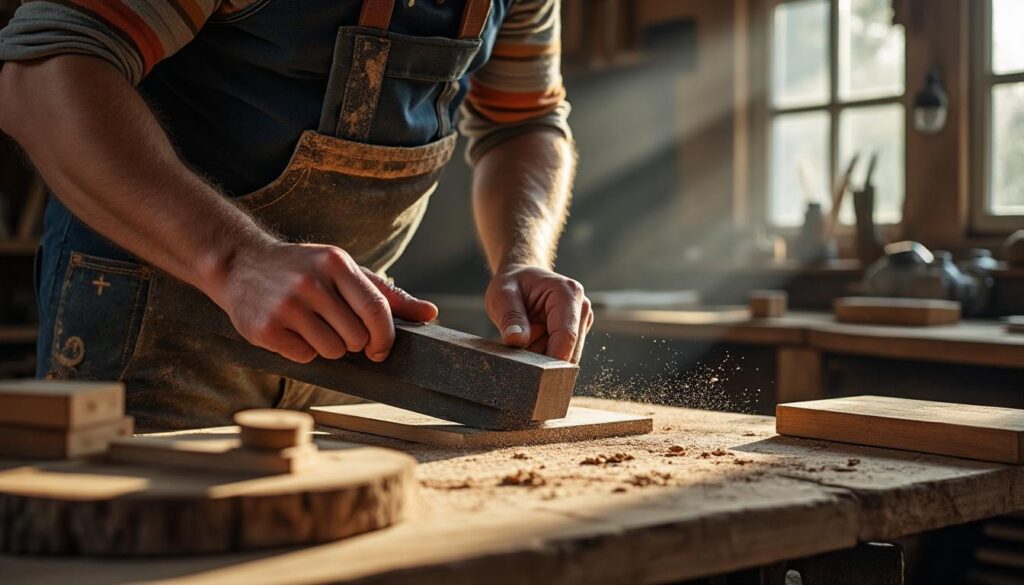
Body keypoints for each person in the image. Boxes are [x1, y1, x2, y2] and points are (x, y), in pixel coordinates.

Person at [0, 0, 592, 429]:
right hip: (150, 335)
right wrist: (234, 260)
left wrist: (524, 259)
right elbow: (42, 72)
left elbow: (525, 120)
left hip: (352, 352)